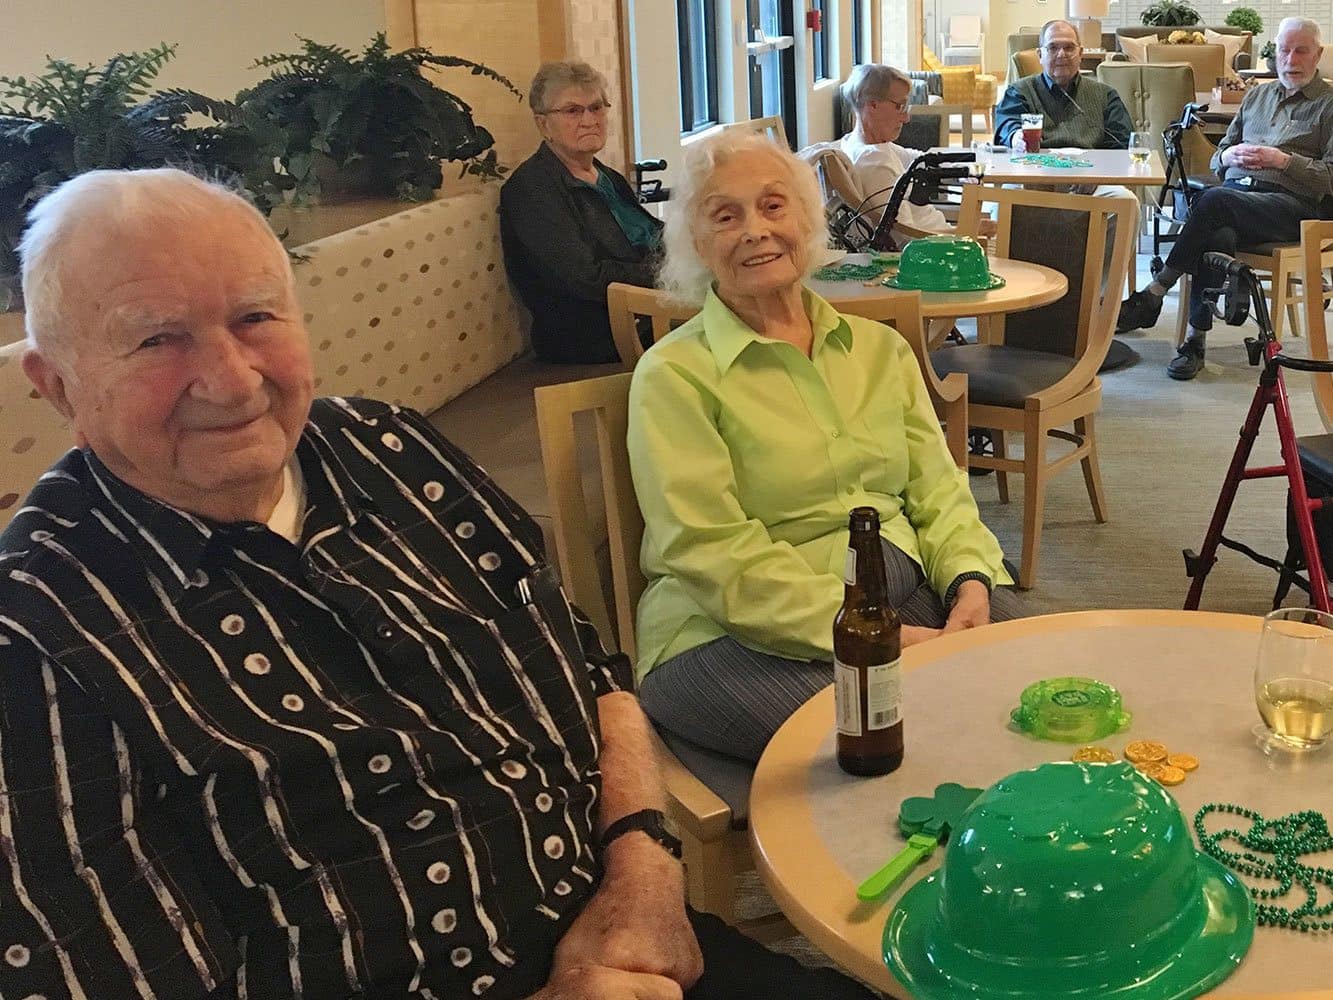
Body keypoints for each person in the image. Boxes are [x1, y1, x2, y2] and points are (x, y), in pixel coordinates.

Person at [0, 168, 883, 1000]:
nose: (232, 379)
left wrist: (645, 874)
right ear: (55, 385)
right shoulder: (38, 635)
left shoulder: (394, 450)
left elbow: (590, 673)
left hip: (624, 929)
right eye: (157, 338)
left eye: (256, 317)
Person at [627, 132, 1018, 766]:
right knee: (907, 729)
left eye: (774, 206)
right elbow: (712, 554)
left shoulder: (878, 350)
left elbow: (939, 491)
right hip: (726, 634)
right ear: (697, 245)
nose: (756, 230)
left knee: (1049, 669)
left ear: (808, 221)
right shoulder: (674, 376)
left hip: (901, 589)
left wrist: (971, 582)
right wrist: (885, 640)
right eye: (726, 216)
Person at [1118, 16, 1333, 381]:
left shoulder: (1329, 105)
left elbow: (1329, 176)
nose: (1290, 59)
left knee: (1213, 203)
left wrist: (1283, 161)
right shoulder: (1259, 95)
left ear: (1318, 55)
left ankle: (1156, 290)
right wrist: (1227, 158)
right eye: (1284, 50)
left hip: (1296, 206)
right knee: (1217, 234)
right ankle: (1194, 342)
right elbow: (1220, 154)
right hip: (1240, 195)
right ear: (1274, 53)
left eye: (1301, 51)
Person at [501, 61, 662, 364]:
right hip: (595, 335)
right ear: (543, 123)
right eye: (573, 111)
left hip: (645, 310)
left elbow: (648, 232)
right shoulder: (533, 190)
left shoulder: (604, 175)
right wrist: (668, 275)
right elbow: (586, 277)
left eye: (597, 107)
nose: (590, 120)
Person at [994, 20, 1131, 152]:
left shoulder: (1106, 95)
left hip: (1092, 172)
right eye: (1053, 48)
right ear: (1040, 55)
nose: (1061, 54)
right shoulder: (1019, 92)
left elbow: (1122, 144)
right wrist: (1016, 137)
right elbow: (1008, 125)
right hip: (1036, 170)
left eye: (1069, 48)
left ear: (1080, 54)